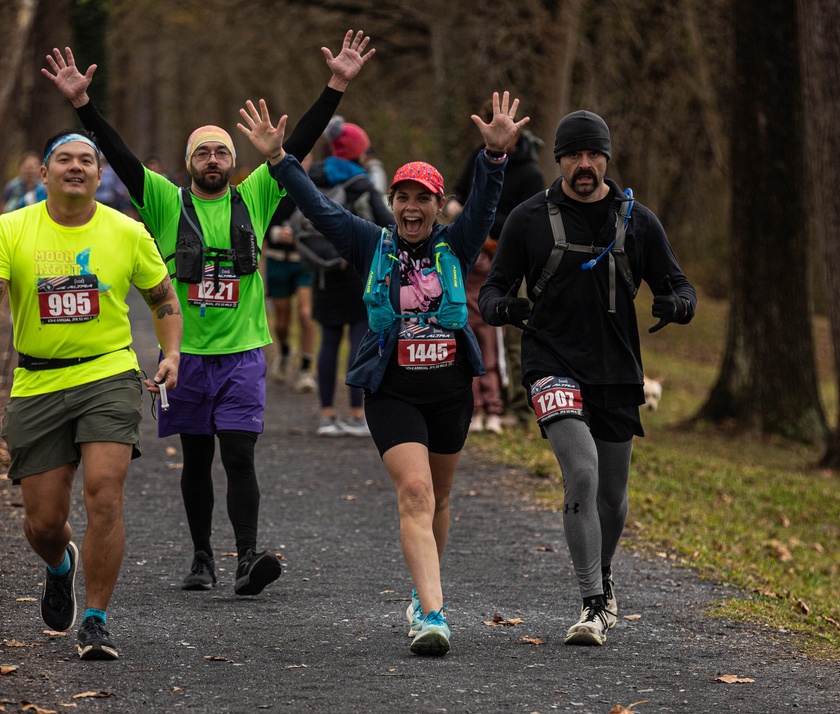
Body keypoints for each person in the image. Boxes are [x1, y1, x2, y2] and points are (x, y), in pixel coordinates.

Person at [42, 31, 375, 596]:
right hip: (186, 358)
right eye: (203, 151)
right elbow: (119, 155)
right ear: (188, 162)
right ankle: (202, 559)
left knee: (240, 456)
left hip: (242, 354)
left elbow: (297, 143)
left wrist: (335, 85)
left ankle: (247, 558)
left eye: (222, 151)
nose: (213, 159)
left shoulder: (258, 195)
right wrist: (82, 105)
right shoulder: (166, 202)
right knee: (196, 461)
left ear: (234, 161)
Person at [239, 92, 529, 656]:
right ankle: (434, 615)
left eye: (424, 197)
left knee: (439, 500)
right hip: (391, 391)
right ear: (391, 202)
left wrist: (494, 158)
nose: (412, 206)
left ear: (439, 205)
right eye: (403, 197)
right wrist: (278, 161)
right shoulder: (369, 242)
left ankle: (423, 595)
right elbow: (317, 206)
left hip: (449, 393)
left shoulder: (457, 244)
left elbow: (485, 209)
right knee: (416, 493)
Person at [0, 129, 183, 661]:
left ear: (100, 175)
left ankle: (97, 620)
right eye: (64, 159)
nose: (75, 167)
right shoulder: (12, 228)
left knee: (105, 494)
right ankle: (60, 565)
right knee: (44, 522)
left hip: (109, 375)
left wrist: (171, 354)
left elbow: (164, 299)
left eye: (86, 160)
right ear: (44, 172)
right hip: (37, 382)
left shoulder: (126, 232)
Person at [478, 110, 697, 646]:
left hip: (618, 371)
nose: (584, 165)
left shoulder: (638, 221)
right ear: (558, 160)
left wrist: (677, 304)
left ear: (606, 159)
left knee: (614, 498)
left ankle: (604, 574)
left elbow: (682, 287)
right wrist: (506, 306)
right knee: (582, 472)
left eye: (593, 154)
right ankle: (593, 603)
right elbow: (490, 291)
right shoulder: (528, 219)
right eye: (573, 155)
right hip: (551, 362)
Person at [445, 103, 546, 434]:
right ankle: (475, 404)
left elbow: (530, 219)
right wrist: (457, 206)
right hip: (474, 261)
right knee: (471, 329)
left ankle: (516, 408)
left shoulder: (530, 173)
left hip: (513, 262)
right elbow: (460, 192)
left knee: (511, 339)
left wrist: (484, 222)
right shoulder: (480, 156)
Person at [295, 127, 394, 437]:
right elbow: (389, 225)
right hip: (356, 273)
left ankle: (326, 416)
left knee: (329, 341)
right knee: (359, 342)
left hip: (322, 275)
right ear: (358, 152)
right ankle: (355, 414)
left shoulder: (314, 178)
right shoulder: (360, 184)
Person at [264, 189, 318, 393]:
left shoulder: (313, 190)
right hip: (277, 260)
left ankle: (305, 370)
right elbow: (255, 221)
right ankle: (285, 350)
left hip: (304, 262)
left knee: (306, 313)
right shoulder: (272, 188)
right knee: (281, 323)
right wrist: (275, 233)